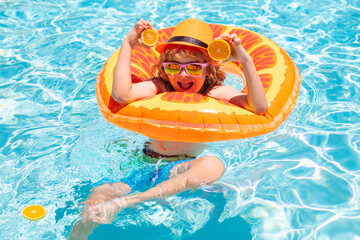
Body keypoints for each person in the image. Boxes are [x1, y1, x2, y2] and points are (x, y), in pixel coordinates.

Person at [70, 18, 267, 238]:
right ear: (165, 68)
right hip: (143, 163)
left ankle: (130, 202)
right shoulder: (160, 86)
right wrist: (128, 43)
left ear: (209, 69)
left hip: (179, 168)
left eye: (193, 67)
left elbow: (258, 107)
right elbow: (121, 94)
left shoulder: (213, 92)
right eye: (173, 67)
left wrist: (244, 59)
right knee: (95, 202)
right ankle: (77, 236)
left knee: (213, 166)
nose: (183, 75)